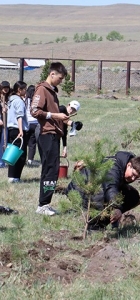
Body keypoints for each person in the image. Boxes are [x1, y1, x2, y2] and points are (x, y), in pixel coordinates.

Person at [65, 151, 140, 228]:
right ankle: (95, 225)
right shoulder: (114, 167)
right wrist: (116, 208)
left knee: (132, 195)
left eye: (137, 177)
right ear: (129, 165)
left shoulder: (123, 166)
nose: (133, 178)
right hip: (80, 188)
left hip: (97, 186)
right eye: (133, 174)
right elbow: (110, 187)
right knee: (102, 195)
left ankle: (109, 221)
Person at [31, 61, 69, 216]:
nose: (61, 81)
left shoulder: (52, 91)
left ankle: (45, 203)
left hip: (53, 134)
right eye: (59, 78)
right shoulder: (42, 89)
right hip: (47, 134)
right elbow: (34, 110)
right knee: (51, 169)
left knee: (50, 169)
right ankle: (43, 205)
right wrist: (55, 115)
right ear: (52, 74)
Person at [7, 81, 29, 183]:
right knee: (20, 155)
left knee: (13, 153)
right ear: (19, 90)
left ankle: (11, 176)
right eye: (24, 89)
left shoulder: (10, 100)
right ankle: (15, 177)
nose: (26, 91)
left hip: (11, 129)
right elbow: (19, 116)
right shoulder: (19, 101)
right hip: (18, 129)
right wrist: (21, 130)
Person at [25, 84, 39, 166]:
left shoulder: (25, 100)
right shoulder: (36, 101)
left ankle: (22, 159)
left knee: (24, 142)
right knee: (32, 143)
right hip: (35, 123)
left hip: (26, 123)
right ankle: (30, 159)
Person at [0, 81, 11, 168]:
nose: (6, 89)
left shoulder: (9, 98)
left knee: (4, 142)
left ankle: (4, 161)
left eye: (7, 87)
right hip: (1, 122)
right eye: (4, 87)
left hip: (7, 123)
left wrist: (6, 109)